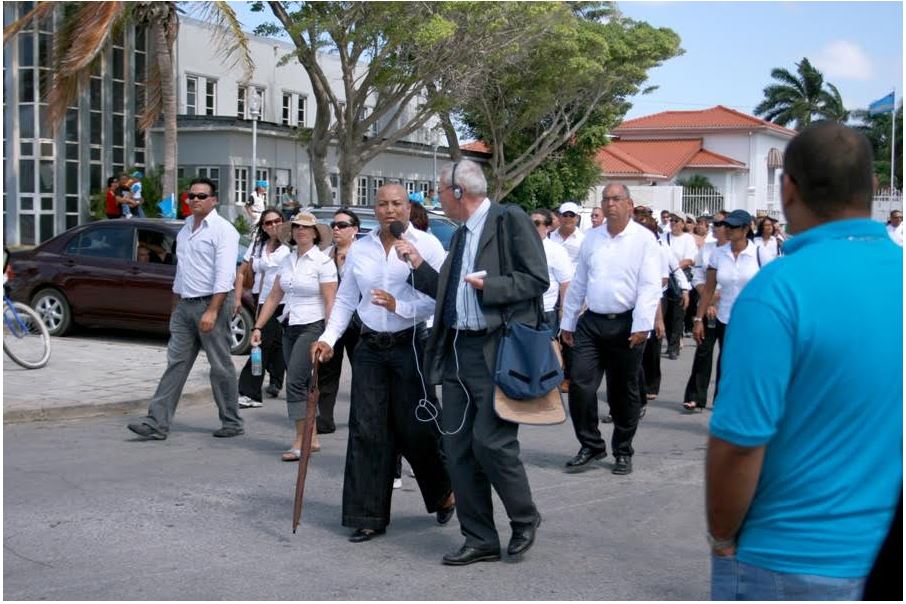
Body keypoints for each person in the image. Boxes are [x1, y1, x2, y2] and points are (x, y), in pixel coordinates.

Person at [707, 122, 902, 600]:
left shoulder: (777, 291)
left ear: (787, 187)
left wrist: (722, 536)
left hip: (788, 559)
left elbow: (739, 446)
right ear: (872, 187)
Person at [398, 160, 547, 566]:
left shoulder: (507, 219)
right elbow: (447, 295)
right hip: (459, 351)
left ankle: (524, 516)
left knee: (492, 442)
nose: (436, 200)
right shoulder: (461, 236)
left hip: (497, 350)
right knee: (458, 448)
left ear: (458, 191)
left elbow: (537, 279)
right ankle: (479, 537)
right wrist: (416, 265)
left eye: (440, 192)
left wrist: (491, 286)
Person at [311, 183, 454, 544]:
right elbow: (345, 300)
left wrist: (399, 306)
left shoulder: (428, 245)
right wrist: (328, 339)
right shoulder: (361, 249)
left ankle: (443, 492)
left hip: (410, 344)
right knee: (367, 429)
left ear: (408, 207)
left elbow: (440, 300)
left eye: (397, 204)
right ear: (373, 209)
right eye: (383, 204)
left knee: (417, 428)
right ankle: (367, 515)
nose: (390, 210)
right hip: (370, 347)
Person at [127, 177, 243, 440]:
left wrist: (213, 311)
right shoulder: (185, 229)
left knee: (220, 365)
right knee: (176, 363)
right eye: (191, 196)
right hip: (185, 305)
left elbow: (225, 275)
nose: (195, 200)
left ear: (214, 200)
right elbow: (182, 271)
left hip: (210, 302)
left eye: (202, 196)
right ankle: (157, 422)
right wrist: (175, 306)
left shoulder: (223, 230)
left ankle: (232, 421)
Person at [560, 183, 661, 477]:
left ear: (629, 204)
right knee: (580, 385)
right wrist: (568, 322)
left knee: (622, 392)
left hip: (627, 323)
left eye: (616, 199)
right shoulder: (592, 238)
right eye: (606, 199)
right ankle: (591, 445)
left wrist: (643, 324)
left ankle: (623, 450)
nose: (610, 204)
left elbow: (650, 285)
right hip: (592, 321)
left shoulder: (644, 240)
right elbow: (579, 282)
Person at [251, 211, 337, 460]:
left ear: (315, 233)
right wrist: (258, 326)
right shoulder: (288, 260)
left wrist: (328, 337)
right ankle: (312, 436)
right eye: (297, 227)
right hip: (290, 324)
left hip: (313, 324)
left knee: (296, 381)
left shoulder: (323, 262)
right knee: (304, 382)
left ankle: (301, 441)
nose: (301, 231)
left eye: (306, 227)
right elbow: (275, 295)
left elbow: (331, 301)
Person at [689, 210, 759, 413]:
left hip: (751, 321)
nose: (727, 230)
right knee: (726, 362)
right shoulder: (718, 254)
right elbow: (709, 289)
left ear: (746, 229)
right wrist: (698, 319)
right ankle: (724, 405)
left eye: (733, 227)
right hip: (724, 317)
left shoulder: (759, 255)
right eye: (725, 226)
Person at [234, 209, 289, 409]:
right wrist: (237, 298)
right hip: (260, 300)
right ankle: (276, 381)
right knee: (274, 344)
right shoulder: (258, 246)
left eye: (277, 221)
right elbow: (242, 272)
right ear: (263, 226)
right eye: (268, 223)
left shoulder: (291, 246)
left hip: (283, 302)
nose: (273, 225)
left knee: (262, 343)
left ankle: (250, 392)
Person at [315, 207, 362, 435]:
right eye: (334, 225)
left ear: (354, 229)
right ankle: (325, 418)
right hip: (333, 321)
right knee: (328, 370)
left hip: (360, 322)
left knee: (361, 371)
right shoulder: (325, 255)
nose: (336, 228)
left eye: (342, 225)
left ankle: (360, 416)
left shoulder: (362, 254)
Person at [681, 218, 729, 411]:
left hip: (728, 309)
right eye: (714, 225)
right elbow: (698, 276)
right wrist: (707, 299)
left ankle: (722, 398)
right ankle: (695, 396)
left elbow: (737, 282)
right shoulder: (708, 249)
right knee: (703, 351)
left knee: (727, 356)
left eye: (720, 225)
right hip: (706, 305)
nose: (715, 228)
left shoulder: (738, 251)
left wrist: (716, 298)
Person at [530, 208, 573, 330]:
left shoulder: (556, 250)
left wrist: (563, 310)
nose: (532, 227)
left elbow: (566, 282)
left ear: (548, 227)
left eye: (537, 223)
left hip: (546, 310)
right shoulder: (519, 247)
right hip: (523, 310)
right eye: (529, 223)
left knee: (549, 347)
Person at [663, 210, 697, 359]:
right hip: (665, 278)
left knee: (678, 313)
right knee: (666, 313)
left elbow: (690, 259)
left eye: (677, 221)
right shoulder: (664, 237)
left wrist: (675, 267)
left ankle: (674, 347)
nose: (673, 223)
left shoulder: (687, 239)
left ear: (683, 223)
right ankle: (670, 340)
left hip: (680, 277)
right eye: (672, 220)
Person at [549, 201, 585, 266]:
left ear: (577, 218)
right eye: (565, 215)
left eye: (572, 215)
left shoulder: (583, 240)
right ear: (559, 217)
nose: (568, 218)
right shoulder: (549, 237)